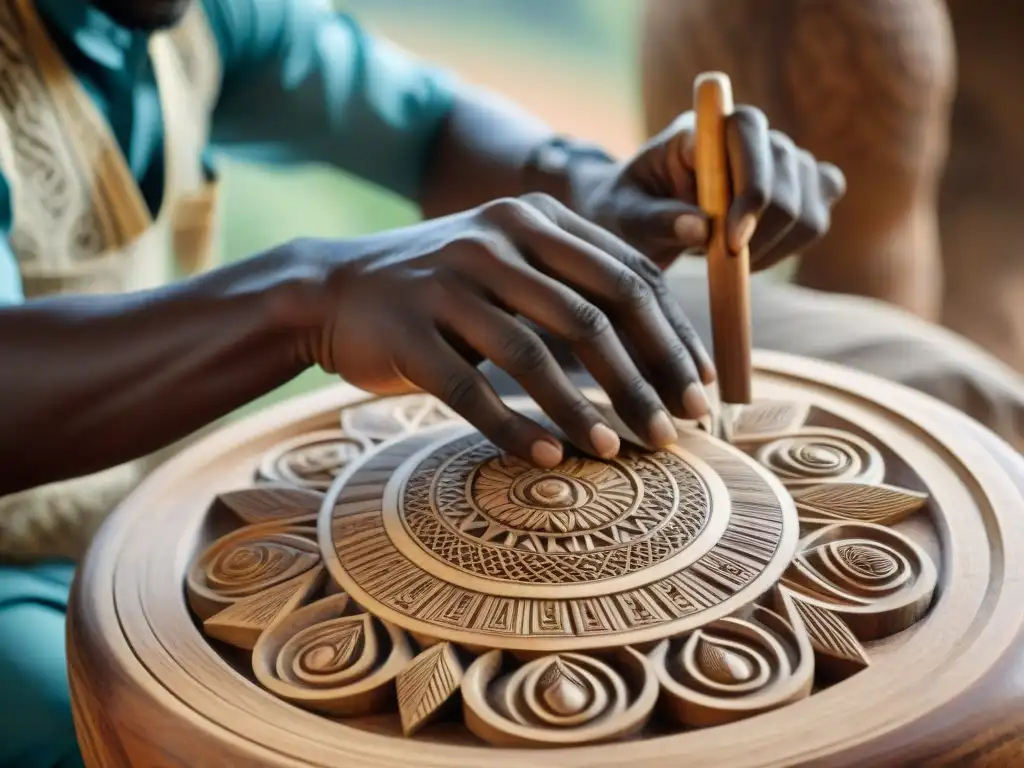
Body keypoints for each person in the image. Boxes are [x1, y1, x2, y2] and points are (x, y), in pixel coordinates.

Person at [0, 2, 1020, 766]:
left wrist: (605, 197)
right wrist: (306, 297)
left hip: (150, 462)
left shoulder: (183, 16)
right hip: (18, 579)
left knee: (931, 388)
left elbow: (426, 128)